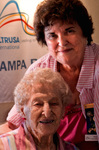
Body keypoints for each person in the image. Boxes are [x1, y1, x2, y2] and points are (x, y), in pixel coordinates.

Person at [0, 0, 99, 149]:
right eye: (52, 35)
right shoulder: (38, 69)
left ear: (84, 33)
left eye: (69, 31)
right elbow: (14, 123)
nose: (62, 42)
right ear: (45, 40)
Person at [0, 68, 78, 150]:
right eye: (38, 104)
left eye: (54, 103)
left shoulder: (71, 149)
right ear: (22, 111)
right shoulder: (4, 146)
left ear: (63, 111)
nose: (47, 112)